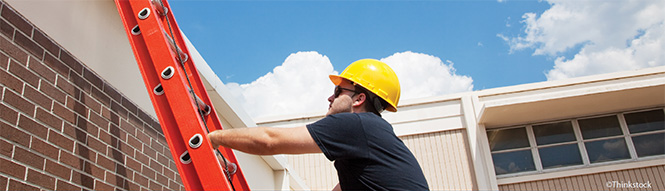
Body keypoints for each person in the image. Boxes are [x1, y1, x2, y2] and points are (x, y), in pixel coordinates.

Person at [208, 59, 429, 190]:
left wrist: (214, 138)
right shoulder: (374, 138)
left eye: (338, 91)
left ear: (359, 99)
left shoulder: (355, 125)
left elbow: (269, 141)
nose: (330, 98)